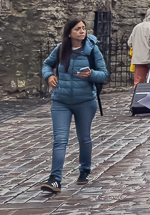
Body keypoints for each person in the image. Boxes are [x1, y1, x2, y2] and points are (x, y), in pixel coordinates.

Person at [39, 18, 107, 192]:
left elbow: (104, 74)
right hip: (61, 101)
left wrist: (91, 74)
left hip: (85, 101)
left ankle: (84, 170)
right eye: (78, 29)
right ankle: (55, 179)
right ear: (69, 33)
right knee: (60, 140)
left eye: (83, 28)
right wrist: (49, 76)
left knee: (84, 138)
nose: (82, 31)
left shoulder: (92, 49)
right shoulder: (61, 48)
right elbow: (47, 64)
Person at [128, 8, 150, 86]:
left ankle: (139, 98)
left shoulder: (137, 27)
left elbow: (129, 42)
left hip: (139, 60)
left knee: (138, 84)